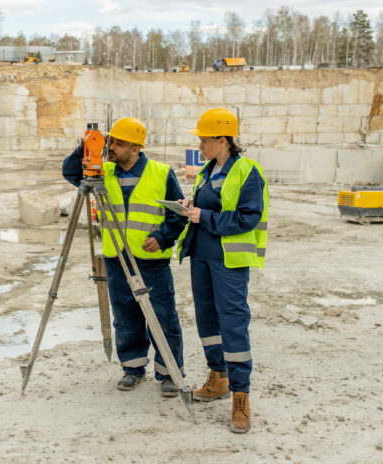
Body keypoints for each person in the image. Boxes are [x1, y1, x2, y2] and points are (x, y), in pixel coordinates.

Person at [62, 117, 186, 397]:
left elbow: (178, 215)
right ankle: (133, 369)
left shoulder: (161, 172)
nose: (112, 147)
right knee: (126, 317)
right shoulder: (102, 172)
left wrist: (163, 237)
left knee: (163, 318)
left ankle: (168, 373)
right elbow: (70, 172)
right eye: (111, 141)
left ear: (136, 147)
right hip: (116, 259)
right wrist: (88, 144)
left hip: (151, 261)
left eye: (119, 143)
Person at [175, 108, 268, 434]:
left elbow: (248, 217)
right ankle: (218, 376)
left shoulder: (247, 171)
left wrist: (206, 217)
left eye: (204, 139)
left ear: (223, 139)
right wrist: (190, 210)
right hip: (202, 254)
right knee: (207, 320)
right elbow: (207, 208)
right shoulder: (206, 171)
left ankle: (240, 396)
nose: (200, 145)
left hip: (229, 259)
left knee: (233, 322)